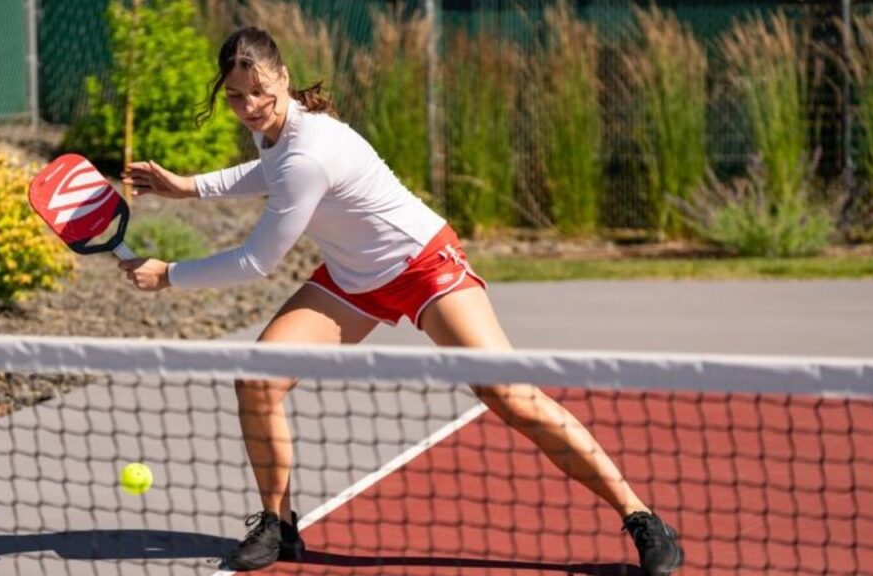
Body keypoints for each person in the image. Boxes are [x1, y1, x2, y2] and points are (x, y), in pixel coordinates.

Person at [118, 26, 684, 575]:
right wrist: (189, 185)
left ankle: (640, 516)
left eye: (261, 91)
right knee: (259, 380)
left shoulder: (310, 150)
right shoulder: (272, 130)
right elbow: (266, 170)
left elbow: (256, 261)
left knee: (511, 397)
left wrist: (170, 274)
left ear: (284, 78)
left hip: (424, 267)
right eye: (237, 96)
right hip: (351, 279)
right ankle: (278, 523)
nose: (249, 105)